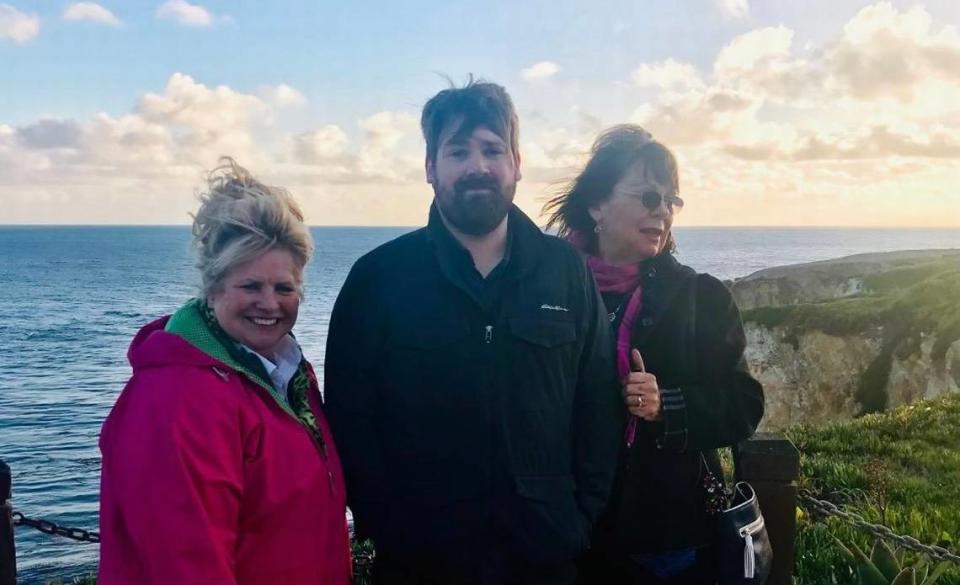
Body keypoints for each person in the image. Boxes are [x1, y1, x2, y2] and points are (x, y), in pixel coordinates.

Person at [324, 79, 622, 585]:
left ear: (516, 163)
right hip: (420, 564)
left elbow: (597, 403)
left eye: (491, 149)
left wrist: (580, 518)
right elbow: (351, 422)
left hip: (545, 558)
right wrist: (389, 527)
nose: (477, 166)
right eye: (457, 151)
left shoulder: (566, 271)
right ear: (430, 167)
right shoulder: (378, 279)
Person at [98, 158, 351, 585]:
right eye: (250, 286)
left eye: (284, 288)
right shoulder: (179, 397)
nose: (270, 304)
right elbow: (185, 565)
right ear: (213, 289)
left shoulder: (287, 374)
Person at [543, 125, 765, 584]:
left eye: (671, 200)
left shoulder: (701, 297)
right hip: (566, 534)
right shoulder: (549, 291)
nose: (662, 211)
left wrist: (668, 404)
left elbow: (745, 404)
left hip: (667, 542)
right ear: (596, 205)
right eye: (648, 197)